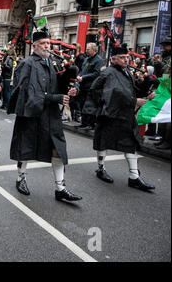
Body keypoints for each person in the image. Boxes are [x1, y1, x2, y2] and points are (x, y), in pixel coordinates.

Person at [8, 31, 82, 202]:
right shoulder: (26, 64)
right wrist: (51, 97)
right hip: (30, 114)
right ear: (34, 46)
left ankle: (60, 188)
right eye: (42, 43)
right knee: (25, 148)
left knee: (58, 149)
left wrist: (72, 84)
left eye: (48, 43)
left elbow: (61, 83)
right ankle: (21, 179)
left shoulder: (54, 63)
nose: (47, 46)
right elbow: (23, 92)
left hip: (50, 115)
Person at [89, 46, 156, 191]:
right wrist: (132, 102)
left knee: (130, 142)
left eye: (127, 57)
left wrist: (146, 91)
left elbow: (133, 90)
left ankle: (134, 177)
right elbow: (102, 92)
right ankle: (100, 169)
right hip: (109, 114)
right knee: (103, 142)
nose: (126, 60)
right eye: (122, 57)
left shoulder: (128, 72)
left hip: (125, 115)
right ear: (113, 59)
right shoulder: (107, 73)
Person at [76, 42, 104, 130]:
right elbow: (82, 70)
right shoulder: (86, 59)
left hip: (92, 86)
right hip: (83, 86)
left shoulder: (99, 60)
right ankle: (83, 123)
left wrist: (83, 77)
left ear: (94, 50)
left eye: (88, 49)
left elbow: (97, 73)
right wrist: (79, 76)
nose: (86, 51)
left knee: (90, 106)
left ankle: (91, 124)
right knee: (82, 104)